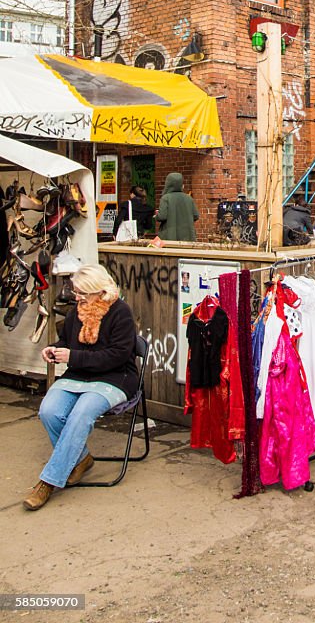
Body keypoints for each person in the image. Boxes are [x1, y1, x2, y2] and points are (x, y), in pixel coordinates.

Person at [24, 264, 139, 510]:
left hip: (115, 377)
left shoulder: (121, 313)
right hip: (79, 375)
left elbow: (117, 356)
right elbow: (67, 342)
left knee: (80, 414)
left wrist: (72, 358)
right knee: (49, 410)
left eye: (82, 293)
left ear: (99, 291)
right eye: (76, 293)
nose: (77, 297)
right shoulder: (78, 311)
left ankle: (48, 481)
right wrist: (54, 350)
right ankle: (81, 458)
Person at [156, 172, 199, 241]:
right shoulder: (189, 198)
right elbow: (196, 216)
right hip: (187, 237)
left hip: (169, 236)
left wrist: (157, 215)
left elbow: (162, 216)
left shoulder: (166, 198)